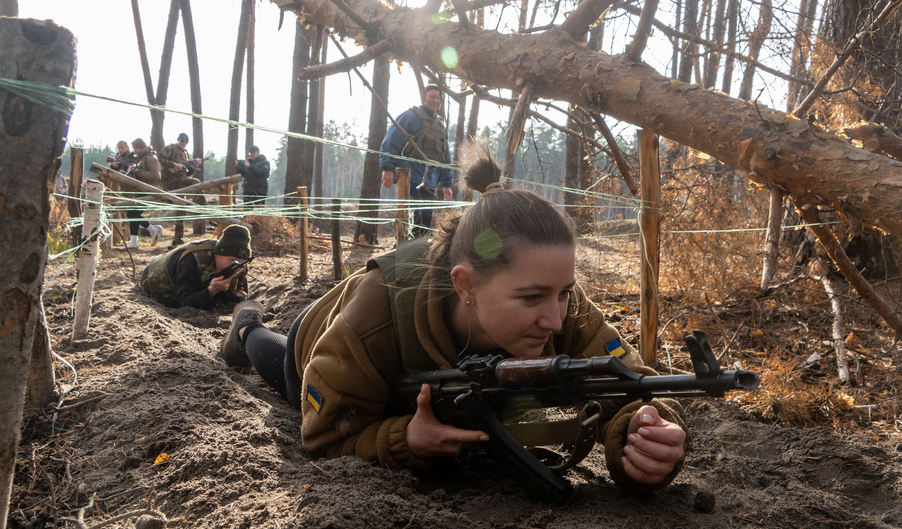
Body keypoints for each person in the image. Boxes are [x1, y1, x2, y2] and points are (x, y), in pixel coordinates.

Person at [219, 145, 687, 493]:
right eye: (530, 299)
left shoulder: (555, 295)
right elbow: (324, 435)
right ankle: (246, 325)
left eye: (563, 293)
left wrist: (642, 432)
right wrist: (404, 438)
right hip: (321, 341)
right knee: (272, 356)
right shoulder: (376, 314)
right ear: (465, 286)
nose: (554, 318)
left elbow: (630, 384)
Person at [380, 84, 455, 238]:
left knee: (427, 219)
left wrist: (447, 185)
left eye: (437, 98)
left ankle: (417, 255)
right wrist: (387, 168)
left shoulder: (440, 126)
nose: (435, 100)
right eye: (431, 97)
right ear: (425, 97)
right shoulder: (411, 116)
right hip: (410, 177)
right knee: (415, 215)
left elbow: (444, 157)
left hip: (431, 181)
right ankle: (400, 251)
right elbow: (391, 140)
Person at [141, 223, 252, 310]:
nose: (236, 267)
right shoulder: (192, 260)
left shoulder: (240, 267)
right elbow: (184, 304)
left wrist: (234, 298)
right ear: (217, 254)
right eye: (231, 260)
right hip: (155, 275)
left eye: (241, 262)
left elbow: (236, 300)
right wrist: (210, 291)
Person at [158, 132, 203, 247]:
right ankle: (202, 207)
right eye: (182, 140)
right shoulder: (171, 148)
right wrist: (174, 164)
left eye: (186, 141)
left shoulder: (185, 153)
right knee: (196, 183)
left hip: (180, 182)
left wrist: (195, 166)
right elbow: (160, 158)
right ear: (178, 140)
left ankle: (177, 238)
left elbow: (187, 173)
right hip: (170, 181)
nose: (184, 143)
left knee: (181, 209)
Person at [125, 138, 163, 249]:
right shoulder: (144, 157)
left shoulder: (150, 158)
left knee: (132, 214)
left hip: (150, 190)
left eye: (135, 148)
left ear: (140, 147)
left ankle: (153, 230)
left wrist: (138, 171)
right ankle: (133, 242)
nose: (134, 151)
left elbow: (155, 176)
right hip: (143, 190)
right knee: (132, 213)